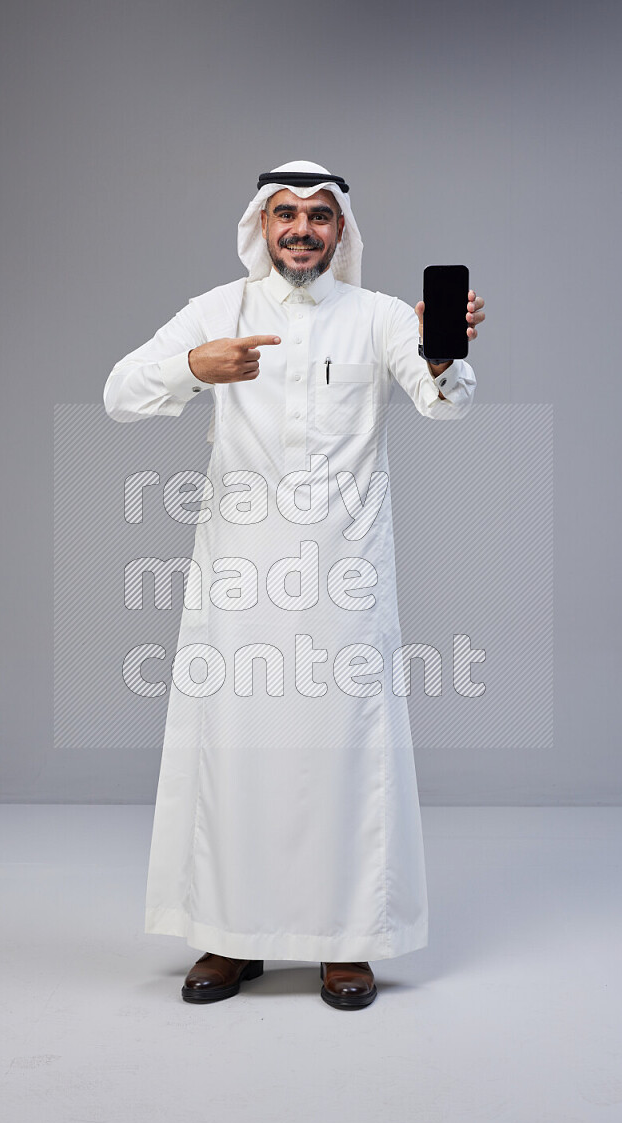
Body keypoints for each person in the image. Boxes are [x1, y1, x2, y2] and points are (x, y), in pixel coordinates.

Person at [103, 161, 486, 1010]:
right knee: (234, 755)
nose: (302, 228)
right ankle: (229, 936)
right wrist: (192, 369)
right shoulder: (217, 309)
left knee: (344, 755)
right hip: (238, 579)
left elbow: (445, 405)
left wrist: (446, 355)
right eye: (286, 214)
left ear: (341, 230)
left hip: (344, 579)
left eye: (319, 215)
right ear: (260, 226)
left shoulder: (382, 315)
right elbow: (118, 393)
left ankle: (346, 943)